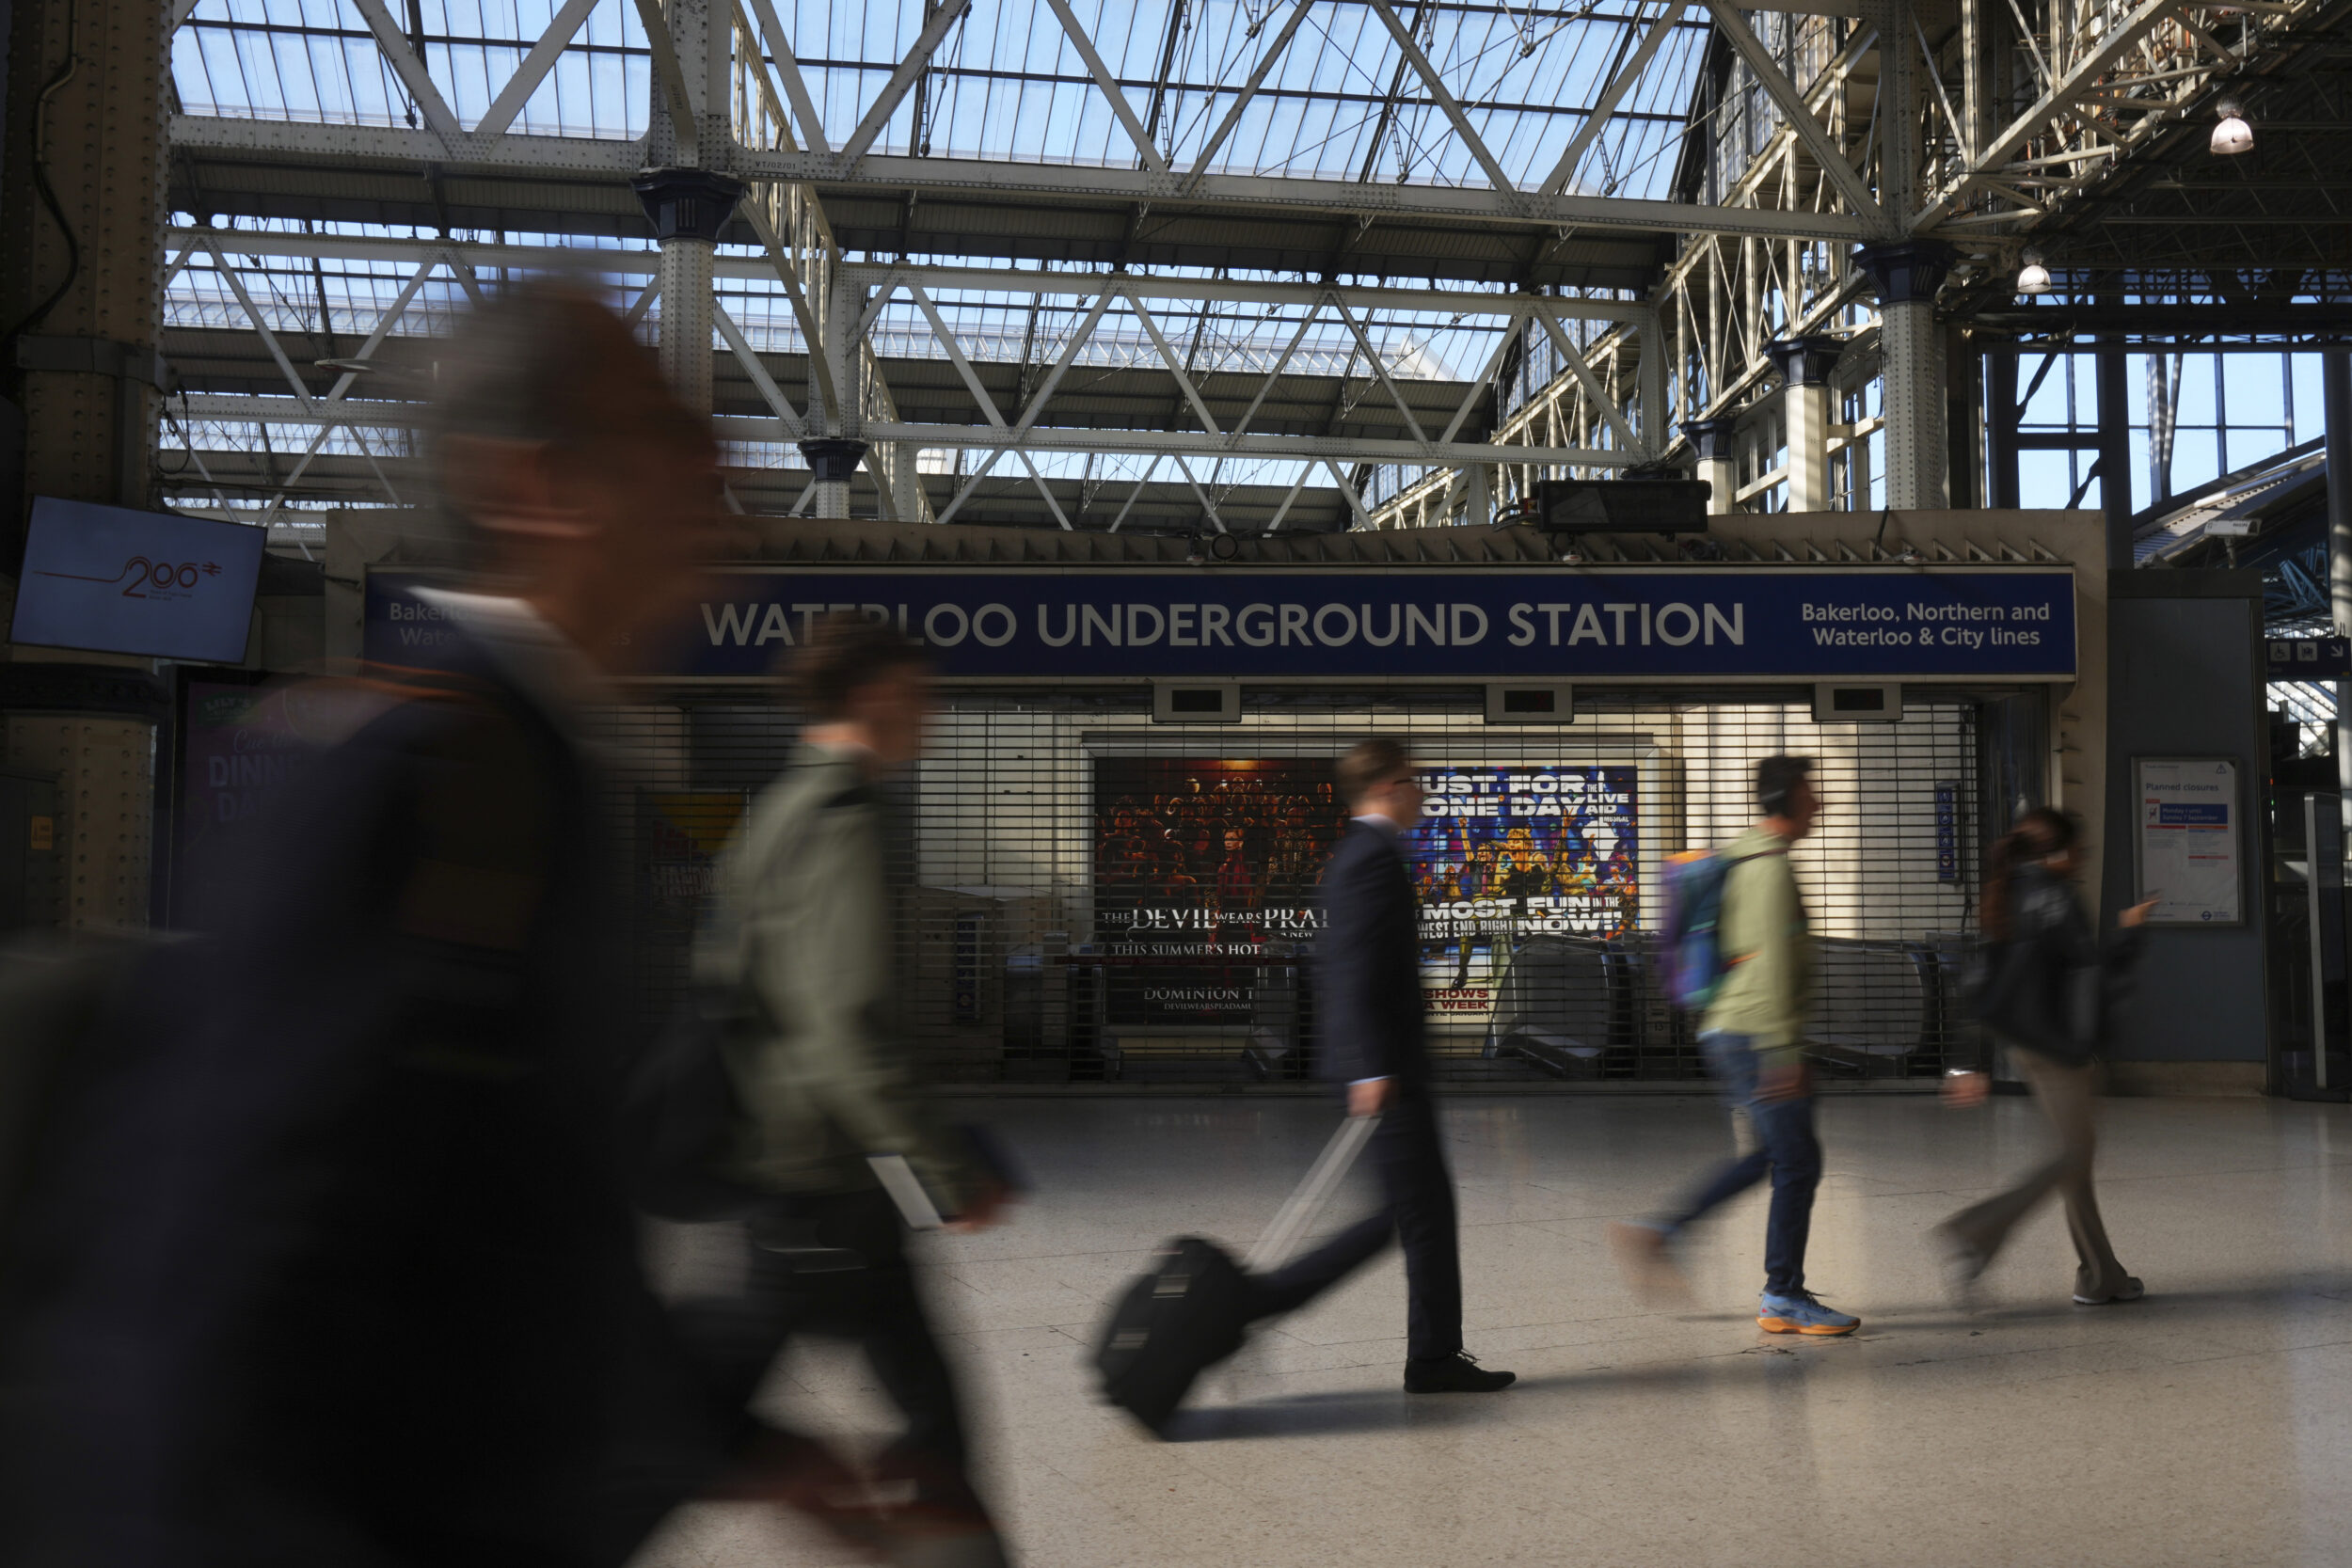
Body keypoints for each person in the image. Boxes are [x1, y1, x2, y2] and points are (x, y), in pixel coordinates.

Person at [0, 286, 882, 1564]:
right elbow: (241, 1262)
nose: (719, 454)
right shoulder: (427, 779)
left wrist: (737, 1440)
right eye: (660, 424)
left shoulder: (538, 768)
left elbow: (528, 1200)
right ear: (540, 484)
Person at [686, 612, 1013, 1560]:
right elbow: (846, 1030)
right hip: (825, 1188)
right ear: (875, 697)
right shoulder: (839, 820)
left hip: (797, 1174)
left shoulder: (775, 812)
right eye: (922, 696)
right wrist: (946, 1170)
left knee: (922, 1416)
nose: (932, 718)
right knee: (926, 1425)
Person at [1241, 738, 1515, 1393]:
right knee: (1405, 1216)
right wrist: (1368, 1066)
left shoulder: (1365, 855)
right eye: (1414, 780)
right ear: (1389, 785)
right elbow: (1354, 967)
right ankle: (1260, 1303)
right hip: (1382, 1070)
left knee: (1415, 1213)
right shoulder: (1369, 860)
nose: (1422, 791)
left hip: (1387, 1066)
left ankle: (1433, 1354)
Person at [1608, 754, 1860, 1337]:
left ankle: (1663, 1234)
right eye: (1811, 791)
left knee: (1774, 1156)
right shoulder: (1768, 866)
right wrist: (1782, 1055)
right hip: (1753, 1033)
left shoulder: (1747, 854)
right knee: (1795, 1160)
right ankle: (1781, 1294)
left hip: (1733, 1027)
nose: (1818, 802)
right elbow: (1770, 964)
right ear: (1790, 798)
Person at [1935, 808, 2150, 1306]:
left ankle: (2101, 1276)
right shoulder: (2057, 896)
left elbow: (1983, 978)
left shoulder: (2003, 891)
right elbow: (2089, 972)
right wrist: (2131, 934)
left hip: (2023, 1044)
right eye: (2079, 850)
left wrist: (1970, 1062)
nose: (2080, 860)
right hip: (2059, 1048)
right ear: (2060, 851)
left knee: (2074, 1159)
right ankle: (1978, 1231)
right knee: (2072, 1156)